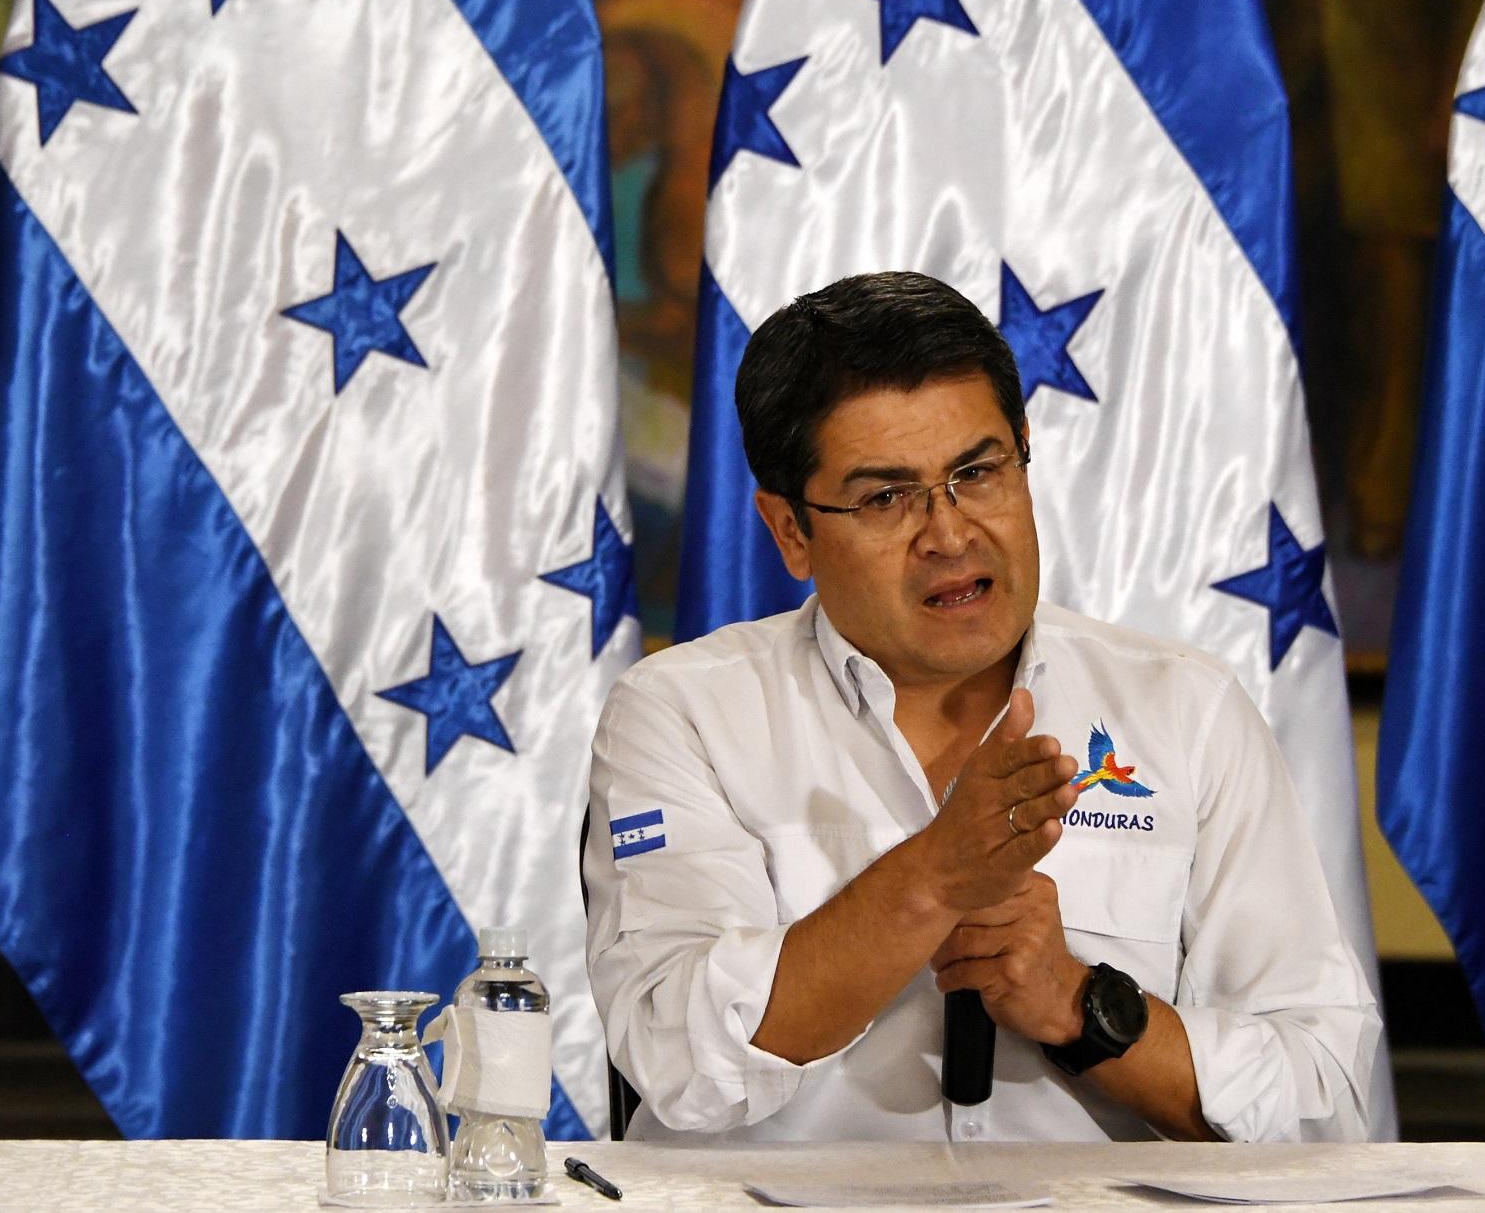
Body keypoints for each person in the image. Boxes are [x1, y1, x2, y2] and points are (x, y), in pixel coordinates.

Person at [583, 271, 1382, 1143]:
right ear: (790, 532)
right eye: (886, 497)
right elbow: (680, 1070)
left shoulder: (1185, 711)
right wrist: (932, 879)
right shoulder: (684, 715)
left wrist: (1081, 1005)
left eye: (977, 471)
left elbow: (1321, 1105)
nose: (950, 532)